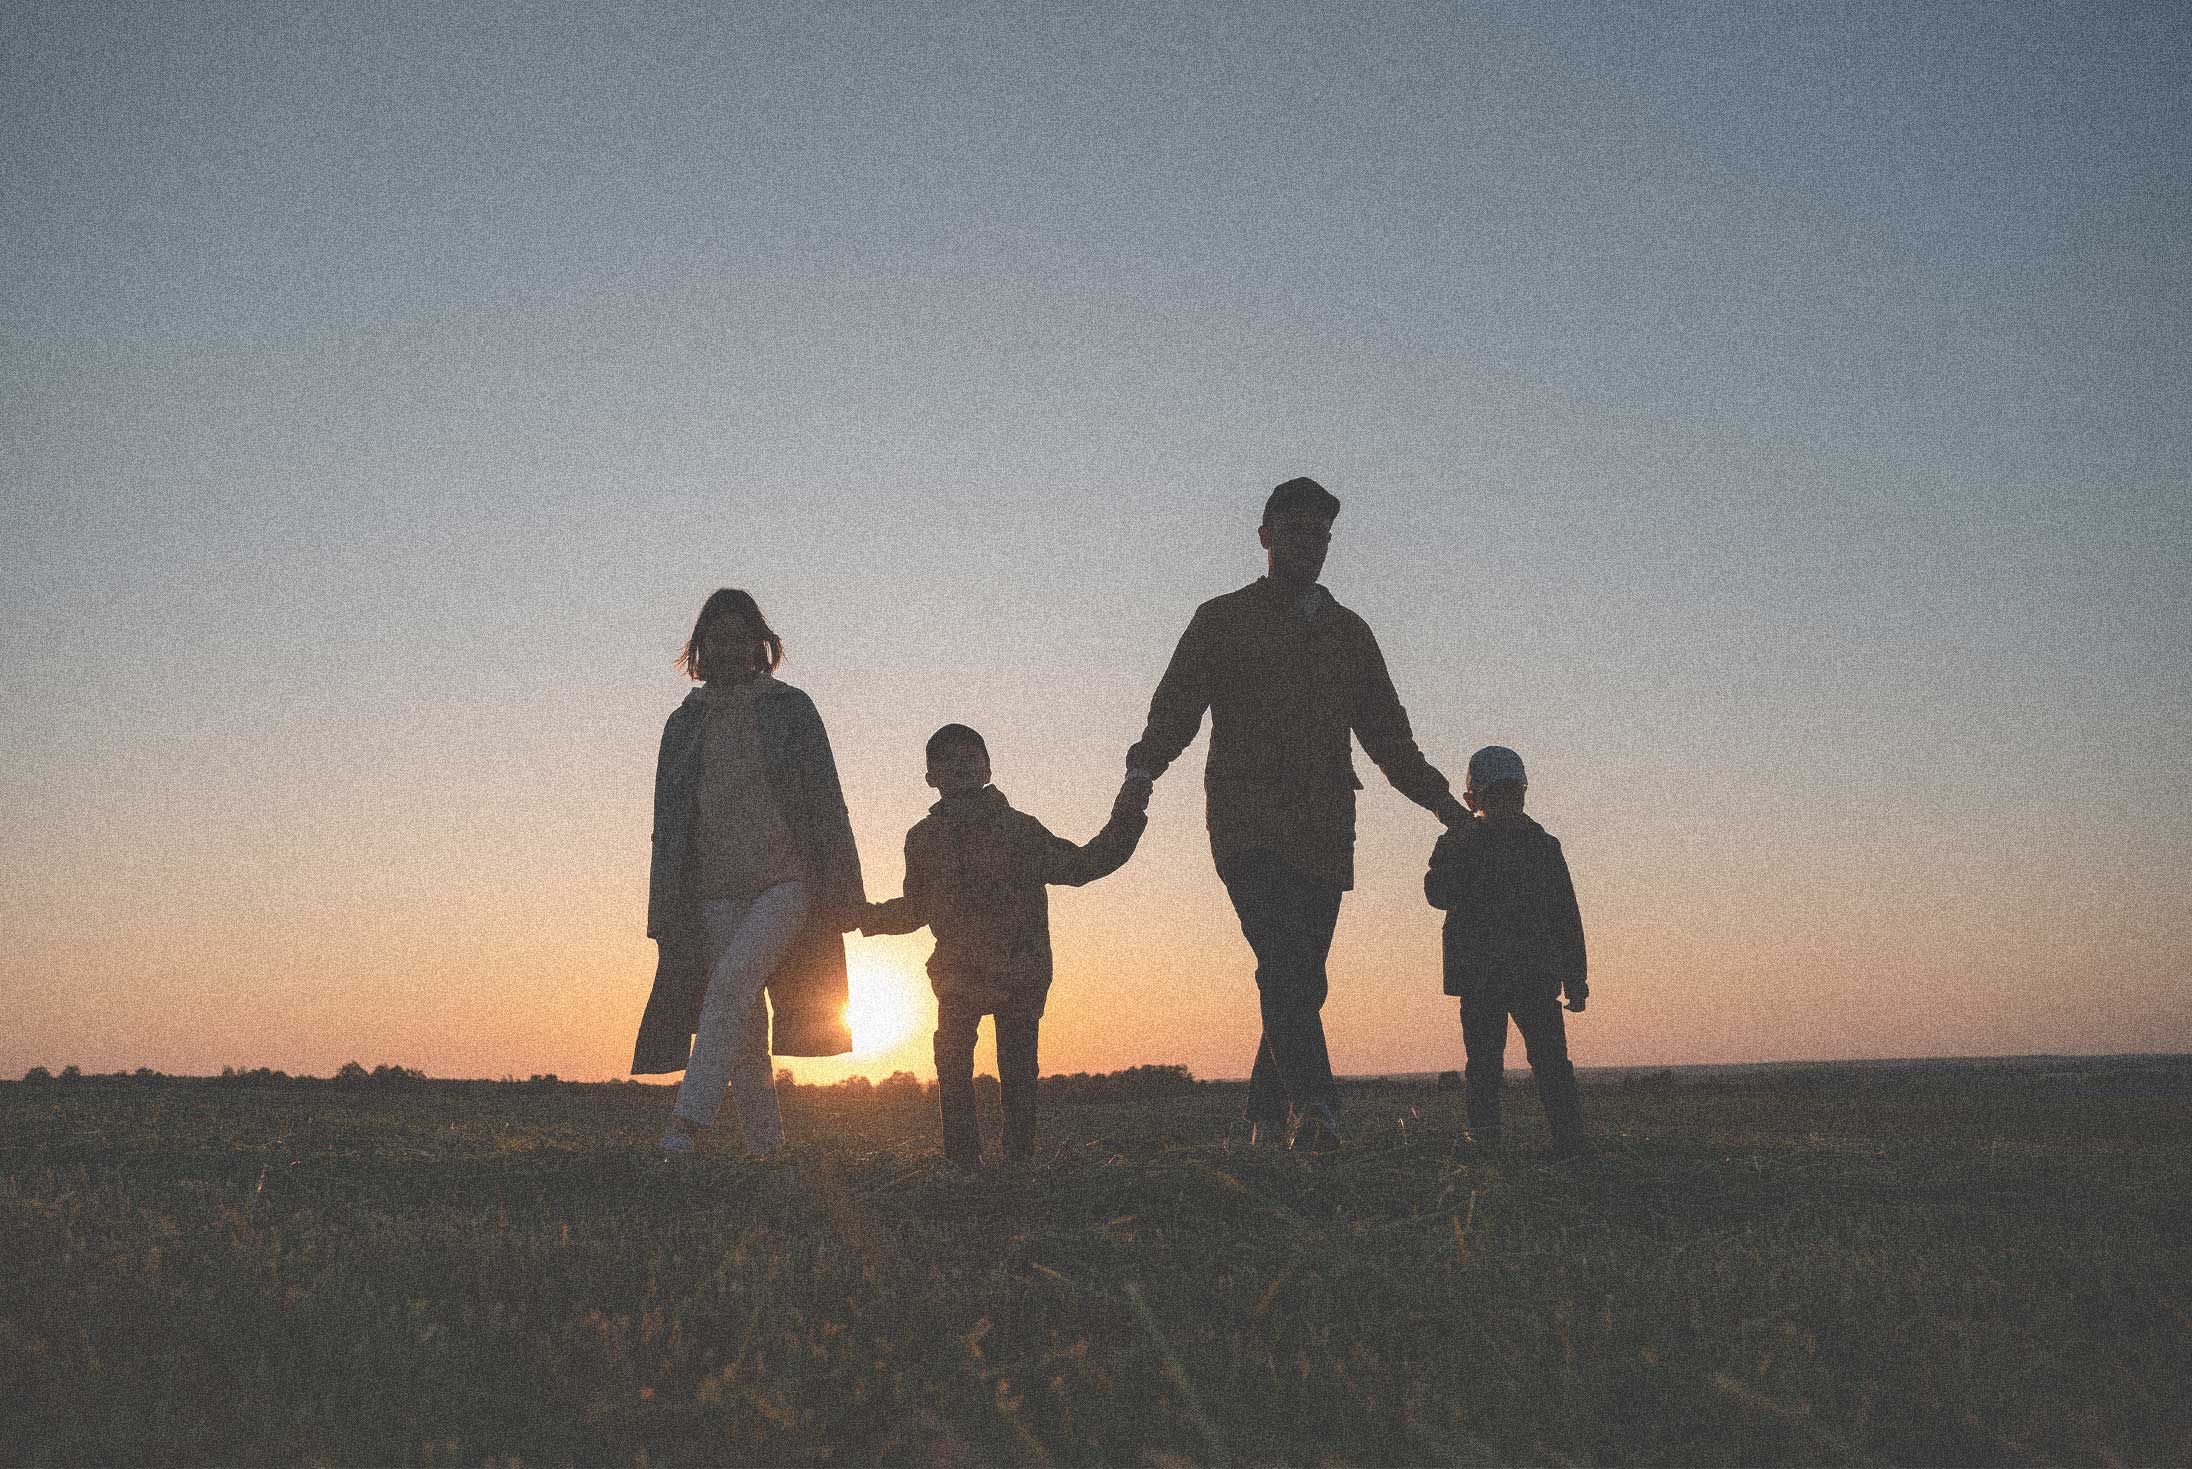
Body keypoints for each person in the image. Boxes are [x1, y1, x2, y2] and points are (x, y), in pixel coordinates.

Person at [1121, 477, 1468, 1151]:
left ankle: (1264, 1118)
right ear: (1265, 536)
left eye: (1319, 534)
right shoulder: (1221, 619)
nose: (1308, 543)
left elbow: (1389, 738)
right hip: (1246, 821)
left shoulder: (1350, 634)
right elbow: (1176, 707)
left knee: (1300, 976)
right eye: (1294, 529)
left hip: (1325, 829)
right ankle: (1316, 1107)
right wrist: (1143, 769)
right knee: (1283, 958)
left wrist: (1444, 804)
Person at [631, 588, 867, 1157]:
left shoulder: (791, 707)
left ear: (759, 644)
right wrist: (664, 906)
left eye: (741, 638)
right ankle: (767, 1149)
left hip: (786, 883)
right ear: (702, 647)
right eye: (718, 639)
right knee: (743, 1025)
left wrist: (844, 891)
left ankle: (685, 1127)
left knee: (729, 986)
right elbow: (668, 821)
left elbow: (825, 800)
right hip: (712, 892)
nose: (730, 649)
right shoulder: (683, 723)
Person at [860, 723, 1146, 1169]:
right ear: (930, 778)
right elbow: (916, 909)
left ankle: (1018, 1162)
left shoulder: (1020, 831)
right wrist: (863, 916)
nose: (959, 767)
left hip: (1020, 969)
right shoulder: (922, 839)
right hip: (956, 972)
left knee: (1017, 1069)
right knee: (952, 1062)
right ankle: (962, 1164)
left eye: (969, 758)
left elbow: (1084, 864)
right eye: (946, 762)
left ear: (987, 767)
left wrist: (1129, 812)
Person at [1423, 744, 1590, 1156]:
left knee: (1520, 1065)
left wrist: (1576, 978)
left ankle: (1517, 1147)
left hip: (1501, 975)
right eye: (1501, 795)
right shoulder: (1536, 846)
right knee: (1508, 1065)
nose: (1506, 803)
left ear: (1469, 798)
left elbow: (1565, 914)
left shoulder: (1538, 846)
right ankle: (1527, 1147)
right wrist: (1575, 978)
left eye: (1510, 795)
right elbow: (1439, 893)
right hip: (1511, 975)